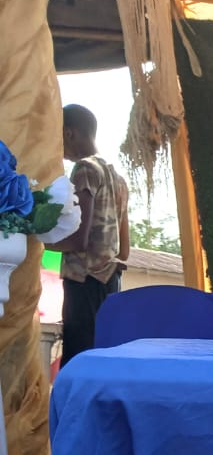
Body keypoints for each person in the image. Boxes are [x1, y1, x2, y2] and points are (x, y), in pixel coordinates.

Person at [46, 103, 130, 365]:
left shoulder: (85, 169)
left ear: (68, 133)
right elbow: (124, 251)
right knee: (101, 361)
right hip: (110, 282)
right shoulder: (118, 179)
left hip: (84, 282)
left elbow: (78, 238)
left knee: (78, 361)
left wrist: (38, 242)